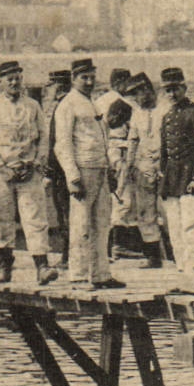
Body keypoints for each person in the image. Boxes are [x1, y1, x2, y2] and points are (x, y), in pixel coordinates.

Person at [0, 60, 57, 284]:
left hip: (29, 172)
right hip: (2, 173)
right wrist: (1, 167)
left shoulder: (33, 106)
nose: (14, 82)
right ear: (0, 81)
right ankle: (4, 267)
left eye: (17, 78)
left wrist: (37, 163)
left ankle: (42, 268)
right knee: (3, 219)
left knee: (35, 219)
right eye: (9, 78)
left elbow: (43, 138)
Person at [52, 57, 120, 288]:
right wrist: (72, 177)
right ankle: (79, 275)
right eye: (84, 77)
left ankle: (101, 274)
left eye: (92, 77)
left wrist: (110, 166)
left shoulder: (94, 103)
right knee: (80, 224)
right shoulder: (67, 105)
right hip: (82, 170)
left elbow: (104, 138)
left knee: (101, 223)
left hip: (100, 169)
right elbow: (62, 144)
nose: (89, 81)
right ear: (74, 79)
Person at [157, 67, 194, 275]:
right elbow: (164, 152)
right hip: (173, 181)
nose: (172, 95)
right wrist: (163, 177)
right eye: (168, 91)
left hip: (192, 178)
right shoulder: (166, 117)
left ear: (184, 88)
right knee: (175, 230)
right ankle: (182, 270)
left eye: (176, 89)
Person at [123, 72, 167, 267]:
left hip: (165, 168)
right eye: (133, 95)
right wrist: (129, 166)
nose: (137, 99)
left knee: (168, 212)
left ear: (148, 91)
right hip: (143, 169)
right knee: (145, 212)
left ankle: (177, 256)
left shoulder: (165, 109)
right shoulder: (137, 114)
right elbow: (133, 141)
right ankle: (153, 256)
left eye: (139, 94)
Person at [95, 68, 135, 259]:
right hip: (118, 152)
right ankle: (118, 245)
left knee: (113, 199)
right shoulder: (123, 103)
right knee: (123, 198)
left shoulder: (98, 101)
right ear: (120, 83)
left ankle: (112, 246)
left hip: (104, 152)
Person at [41, 68, 72, 265]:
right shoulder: (59, 107)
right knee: (64, 213)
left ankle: (69, 255)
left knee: (66, 213)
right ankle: (68, 254)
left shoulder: (61, 107)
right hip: (60, 169)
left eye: (51, 86)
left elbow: (57, 141)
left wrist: (50, 168)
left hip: (63, 170)